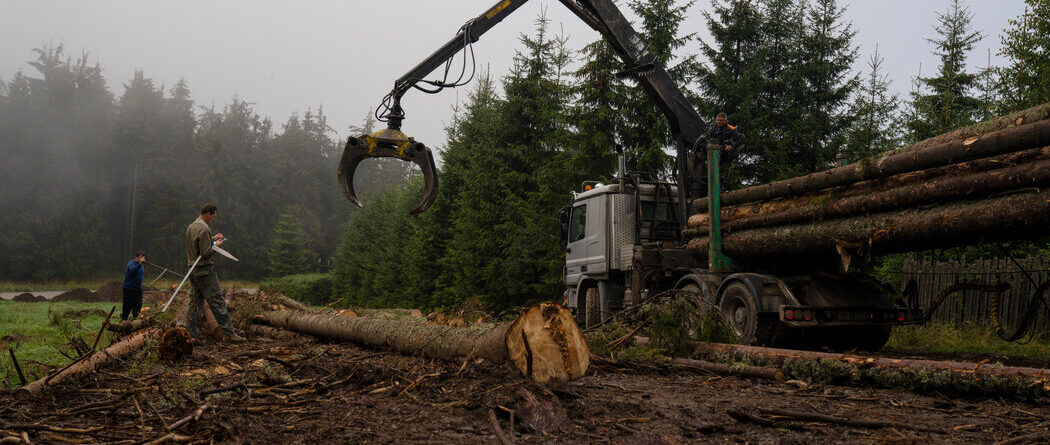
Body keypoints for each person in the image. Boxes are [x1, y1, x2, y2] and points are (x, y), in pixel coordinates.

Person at [185, 203, 245, 342]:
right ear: (208, 214)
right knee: (218, 301)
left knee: (195, 304)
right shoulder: (205, 229)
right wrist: (217, 245)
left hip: (192, 270)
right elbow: (205, 253)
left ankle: (191, 336)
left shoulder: (191, 227)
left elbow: (197, 245)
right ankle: (229, 333)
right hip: (205, 271)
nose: (213, 219)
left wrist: (212, 240)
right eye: (213, 216)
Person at [690, 112, 743, 198]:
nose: (718, 122)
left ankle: (717, 183)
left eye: (720, 120)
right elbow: (708, 136)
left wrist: (731, 146)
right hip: (714, 150)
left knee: (718, 164)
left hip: (725, 153)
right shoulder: (713, 129)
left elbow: (739, 140)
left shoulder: (731, 129)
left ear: (725, 121)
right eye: (717, 120)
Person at [121, 250, 146, 320]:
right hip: (128, 288)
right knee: (127, 305)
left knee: (138, 305)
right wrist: (140, 264)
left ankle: (135, 319)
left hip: (138, 289)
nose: (142, 259)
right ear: (136, 257)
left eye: (143, 258)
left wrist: (140, 264)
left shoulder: (141, 265)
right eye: (140, 257)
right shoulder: (131, 263)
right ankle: (124, 319)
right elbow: (132, 270)